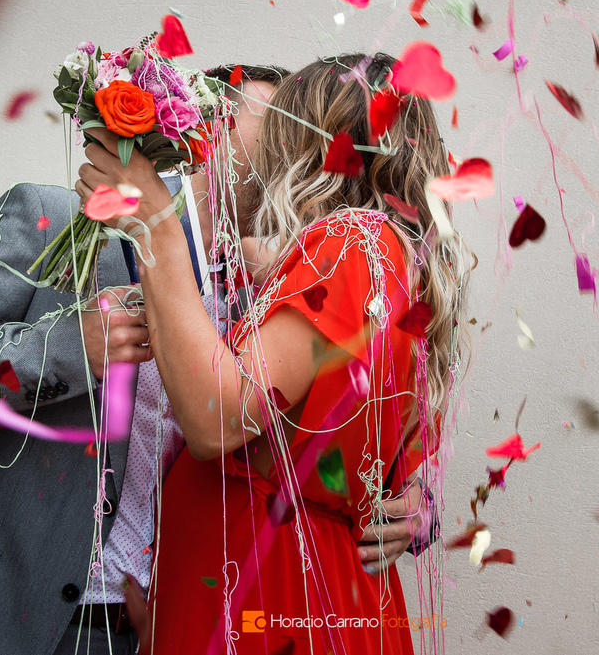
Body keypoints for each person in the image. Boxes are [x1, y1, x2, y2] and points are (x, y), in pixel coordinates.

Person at [0, 63, 430, 655]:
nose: (300, 149)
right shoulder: (52, 219)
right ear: (214, 129)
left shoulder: (289, 290)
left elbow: (346, 434)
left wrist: (412, 506)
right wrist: (64, 349)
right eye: (281, 127)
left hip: (157, 631)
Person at [75, 52, 467, 654]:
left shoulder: (346, 245)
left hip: (267, 592)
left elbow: (215, 418)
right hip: (295, 586)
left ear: (312, 145)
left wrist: (155, 224)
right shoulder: (389, 260)